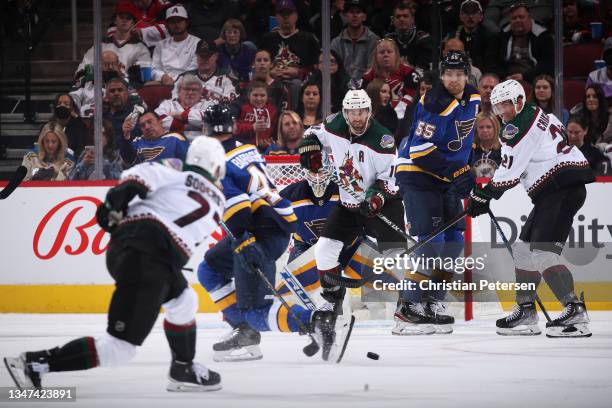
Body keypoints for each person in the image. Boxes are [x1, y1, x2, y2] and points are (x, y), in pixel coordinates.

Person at [5, 136, 226, 392]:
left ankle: (183, 367)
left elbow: (137, 177)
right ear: (217, 167)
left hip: (141, 249)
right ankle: (35, 364)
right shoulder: (218, 199)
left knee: (184, 300)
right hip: (149, 256)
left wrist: (113, 205)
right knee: (119, 348)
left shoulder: (177, 167)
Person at [197, 103, 348, 362]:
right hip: (273, 223)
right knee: (208, 269)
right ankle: (244, 331)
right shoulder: (246, 148)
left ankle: (317, 321)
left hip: (257, 233)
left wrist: (246, 241)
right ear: (232, 126)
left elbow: (240, 209)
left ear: (205, 129)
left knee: (256, 310)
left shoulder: (215, 161)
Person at [466, 79, 595, 338]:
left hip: (561, 188)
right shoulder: (540, 114)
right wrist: (484, 195)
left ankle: (575, 310)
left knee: (543, 255)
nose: (501, 111)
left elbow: (509, 173)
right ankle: (526, 310)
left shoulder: (517, 128)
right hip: (556, 189)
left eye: (505, 105)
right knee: (524, 250)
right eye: (497, 106)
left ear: (520, 101)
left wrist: (483, 195)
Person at [298, 89, 401, 337]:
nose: (357, 117)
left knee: (397, 255)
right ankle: (332, 301)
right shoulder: (334, 124)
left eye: (362, 112)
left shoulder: (383, 140)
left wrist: (375, 198)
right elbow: (313, 133)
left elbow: (389, 181)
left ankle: (410, 305)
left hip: (383, 204)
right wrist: (309, 147)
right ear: (345, 113)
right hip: (349, 205)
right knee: (324, 250)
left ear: (369, 112)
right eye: (352, 112)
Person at [394, 51, 480, 335]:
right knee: (433, 243)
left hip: (444, 175)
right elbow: (419, 151)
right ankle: (407, 307)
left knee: (455, 242)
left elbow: (464, 140)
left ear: (467, 75)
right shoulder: (435, 103)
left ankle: (432, 303)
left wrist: (465, 170)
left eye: (459, 74)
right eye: (449, 74)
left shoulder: (474, 97)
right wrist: (456, 172)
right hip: (418, 174)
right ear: (441, 76)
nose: (454, 80)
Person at [259, 0, 320, 109]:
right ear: (276, 17)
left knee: (296, 84)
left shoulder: (307, 39)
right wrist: (270, 73)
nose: (285, 17)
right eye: (282, 14)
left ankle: (295, 117)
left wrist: (299, 72)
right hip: (272, 82)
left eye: (289, 14)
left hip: (300, 83)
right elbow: (257, 65)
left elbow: (317, 67)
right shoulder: (267, 39)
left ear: (296, 16)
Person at [77, 4, 151, 86]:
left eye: (128, 18)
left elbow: (145, 75)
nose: (124, 20)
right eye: (121, 17)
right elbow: (84, 67)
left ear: (133, 23)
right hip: (101, 87)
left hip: (128, 89)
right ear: (115, 20)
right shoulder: (101, 45)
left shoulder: (140, 47)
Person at [489, 3, 554, 82]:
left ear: (529, 18)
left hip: (534, 79)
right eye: (514, 18)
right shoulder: (502, 36)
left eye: (521, 17)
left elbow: (547, 64)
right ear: (510, 21)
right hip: (506, 78)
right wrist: (504, 76)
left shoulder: (543, 36)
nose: (517, 20)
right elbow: (491, 61)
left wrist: (525, 77)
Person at [362, 38, 420, 120]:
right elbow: (361, 99)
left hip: (404, 117)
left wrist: (395, 113)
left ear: (396, 54)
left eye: (389, 52)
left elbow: (413, 96)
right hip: (374, 117)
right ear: (375, 56)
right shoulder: (368, 76)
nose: (386, 55)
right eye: (382, 52)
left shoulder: (409, 72)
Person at [175, 39, 240, 107]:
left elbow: (230, 104)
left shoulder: (228, 78)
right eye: (201, 56)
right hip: (185, 114)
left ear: (216, 56)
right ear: (196, 56)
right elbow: (173, 101)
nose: (205, 60)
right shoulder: (183, 78)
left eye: (208, 56)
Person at [331, 0, 380, 82]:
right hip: (342, 87)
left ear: (364, 17)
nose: (355, 15)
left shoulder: (375, 41)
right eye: (351, 12)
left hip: (366, 86)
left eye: (358, 12)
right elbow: (333, 69)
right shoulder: (336, 42)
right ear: (346, 16)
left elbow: (372, 69)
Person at [151, 4, 200, 85]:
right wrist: (162, 77)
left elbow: (194, 69)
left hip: (187, 83)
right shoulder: (160, 45)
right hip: (164, 83)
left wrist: (175, 80)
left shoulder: (197, 43)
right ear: (167, 25)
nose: (176, 24)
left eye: (179, 20)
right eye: (172, 21)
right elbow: (154, 69)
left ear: (186, 23)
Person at [120, 111, 189, 165]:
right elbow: (127, 159)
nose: (147, 127)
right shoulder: (137, 142)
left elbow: (186, 164)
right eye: (143, 125)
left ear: (160, 122)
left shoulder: (176, 139)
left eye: (150, 122)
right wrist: (126, 135)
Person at [155, 74, 209, 141]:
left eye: (194, 90)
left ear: (200, 93)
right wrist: (191, 126)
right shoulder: (167, 104)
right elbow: (159, 121)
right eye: (186, 89)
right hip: (171, 143)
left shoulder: (207, 105)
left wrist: (178, 115)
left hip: (199, 144)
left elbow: (208, 121)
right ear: (178, 91)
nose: (190, 92)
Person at [448, 0, 497, 73]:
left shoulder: (489, 37)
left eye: (474, 13)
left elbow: (490, 63)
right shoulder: (453, 36)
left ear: (481, 16)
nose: (470, 17)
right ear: (460, 16)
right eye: (466, 13)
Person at [384, 3, 432, 71]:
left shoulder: (424, 39)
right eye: (398, 16)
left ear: (412, 19)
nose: (401, 19)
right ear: (393, 20)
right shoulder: (388, 41)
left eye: (405, 16)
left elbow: (425, 69)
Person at [235, 80, 278, 151]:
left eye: (262, 95)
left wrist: (270, 142)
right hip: (244, 146)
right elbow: (236, 128)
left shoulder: (272, 110)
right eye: (255, 95)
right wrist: (252, 128)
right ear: (249, 96)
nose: (259, 99)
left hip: (266, 147)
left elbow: (274, 130)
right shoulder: (243, 108)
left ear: (267, 96)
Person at [216, 19, 257, 83]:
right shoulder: (218, 52)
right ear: (225, 34)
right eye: (229, 32)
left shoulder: (249, 52)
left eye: (235, 32)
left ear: (240, 34)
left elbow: (250, 74)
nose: (232, 35)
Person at [51, 93, 90, 158]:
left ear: (72, 108)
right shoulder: (49, 126)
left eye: (66, 104)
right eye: (59, 104)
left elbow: (81, 150)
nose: (62, 106)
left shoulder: (79, 127)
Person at [471, 111, 502, 178]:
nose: (485, 130)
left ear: (495, 128)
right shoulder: (470, 150)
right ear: (476, 129)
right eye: (481, 127)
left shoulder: (504, 149)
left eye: (489, 127)